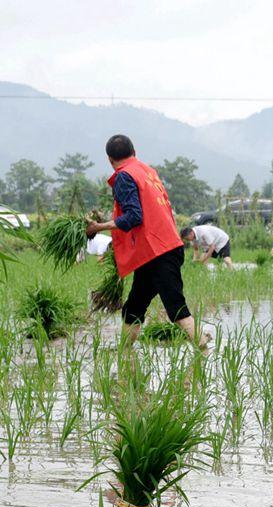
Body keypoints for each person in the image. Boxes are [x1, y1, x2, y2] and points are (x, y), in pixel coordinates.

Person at [86, 134, 202, 348]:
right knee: (134, 307)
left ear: (109, 160)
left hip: (159, 252)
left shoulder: (123, 176)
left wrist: (98, 227)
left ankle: (202, 346)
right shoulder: (147, 171)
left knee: (175, 306)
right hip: (158, 250)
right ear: (134, 152)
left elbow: (133, 216)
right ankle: (124, 351)